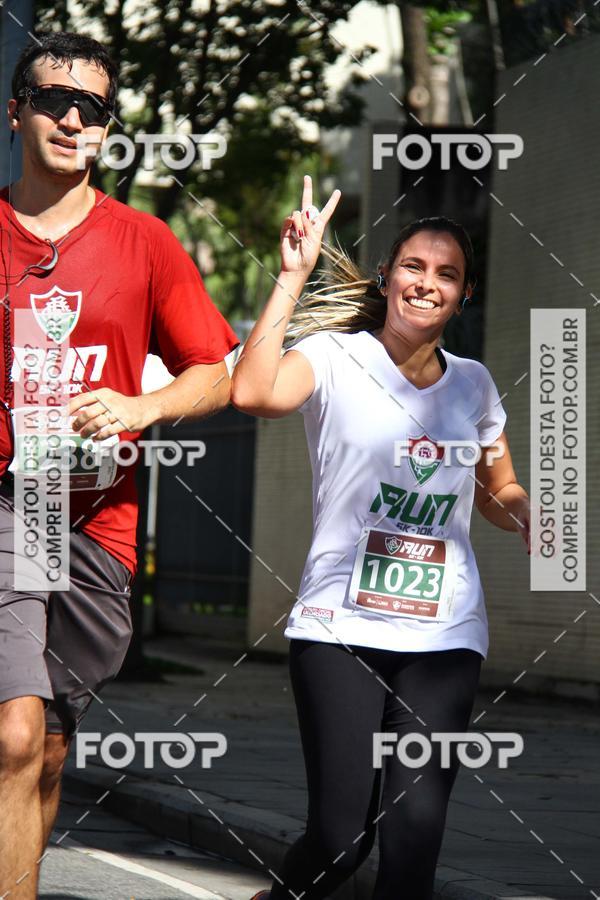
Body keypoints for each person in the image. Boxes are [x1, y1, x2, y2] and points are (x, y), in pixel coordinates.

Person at [232, 175, 529, 900]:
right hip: (339, 628)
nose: (428, 284)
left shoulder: (475, 386)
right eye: (414, 267)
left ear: (462, 295)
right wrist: (292, 278)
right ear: (389, 277)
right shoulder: (334, 359)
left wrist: (529, 512)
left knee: (413, 848)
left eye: (447, 274)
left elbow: (498, 492)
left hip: (444, 636)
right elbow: (251, 392)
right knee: (340, 843)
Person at [0, 31, 238, 898]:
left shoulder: (145, 243)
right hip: (12, 503)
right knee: (15, 737)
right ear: (16, 109)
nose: (71, 118)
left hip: (99, 520)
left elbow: (219, 370)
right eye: (54, 99)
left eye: (91, 107)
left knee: (52, 750)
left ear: (107, 127)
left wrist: (143, 407)